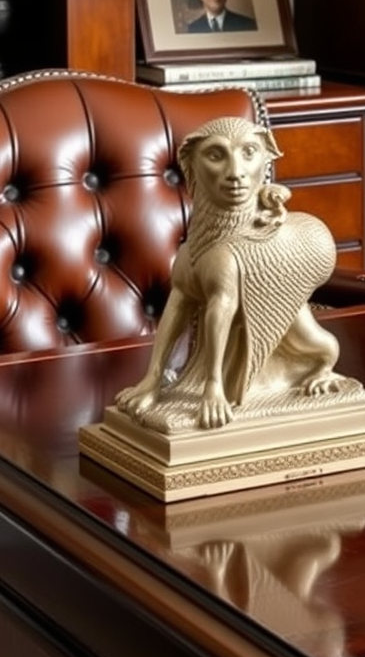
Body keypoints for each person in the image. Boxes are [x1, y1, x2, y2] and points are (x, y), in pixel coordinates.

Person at [115, 114, 345, 431]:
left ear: (266, 158)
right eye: (215, 155)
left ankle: (317, 368)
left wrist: (214, 389)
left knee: (313, 341)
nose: (235, 173)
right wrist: (152, 379)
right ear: (190, 163)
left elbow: (221, 307)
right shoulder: (194, 248)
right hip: (208, 237)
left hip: (286, 342)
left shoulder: (237, 248)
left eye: (248, 152)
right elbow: (179, 301)